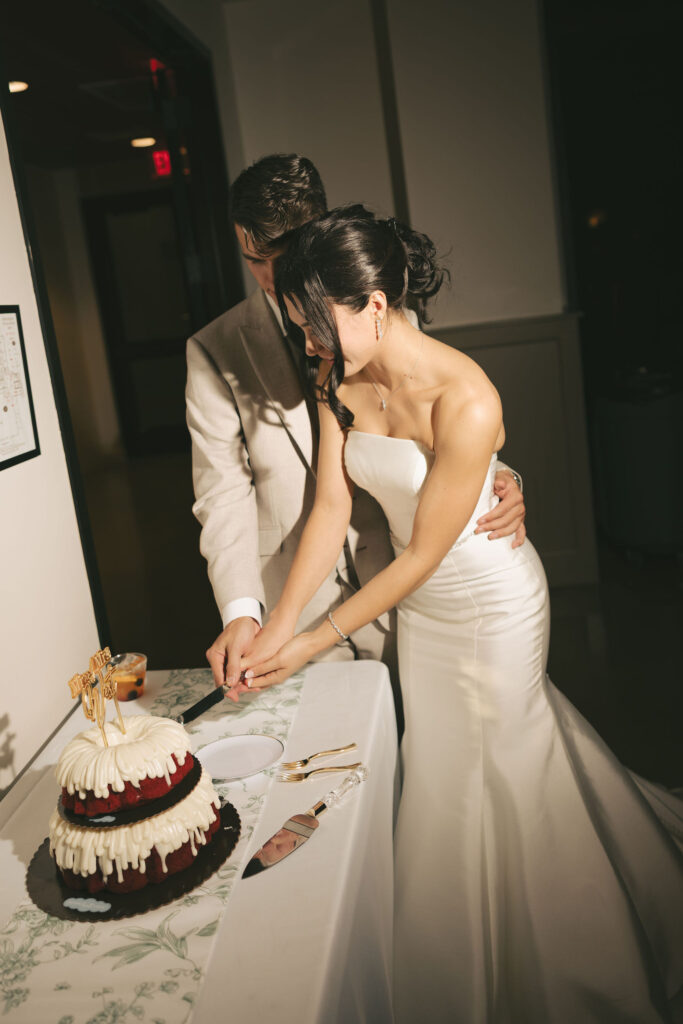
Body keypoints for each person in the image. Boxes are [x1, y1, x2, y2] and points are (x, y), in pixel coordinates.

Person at [239, 206, 683, 1022]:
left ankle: (566, 964)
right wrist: (277, 624)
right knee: (445, 774)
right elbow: (330, 506)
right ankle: (460, 962)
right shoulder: (335, 375)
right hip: (423, 612)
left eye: (314, 323)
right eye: (298, 325)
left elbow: (419, 556)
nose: (307, 342)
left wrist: (308, 643)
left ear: (374, 304)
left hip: (489, 602)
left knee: (509, 771)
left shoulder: (467, 396)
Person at [186, 154, 526, 722]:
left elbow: (449, 417)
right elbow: (226, 492)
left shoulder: (372, 303)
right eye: (254, 260)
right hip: (298, 591)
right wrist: (260, 615)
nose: (271, 276)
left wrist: (499, 475)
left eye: (284, 256)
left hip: (411, 581)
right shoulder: (217, 349)